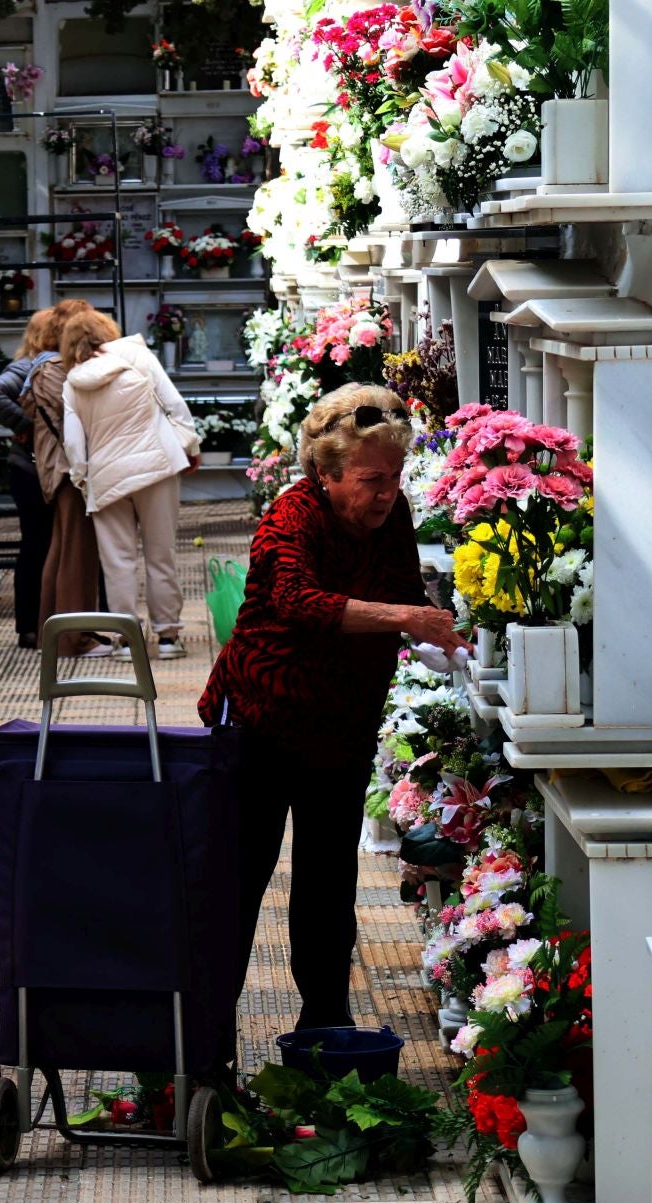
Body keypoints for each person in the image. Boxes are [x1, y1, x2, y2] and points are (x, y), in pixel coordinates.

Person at [197, 384, 464, 1030]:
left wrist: (442, 635)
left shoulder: (390, 516)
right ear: (325, 472)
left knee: (326, 885)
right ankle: (204, 1035)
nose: (386, 492)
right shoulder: (292, 517)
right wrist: (405, 616)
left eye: (395, 477)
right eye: (371, 479)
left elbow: (403, 589)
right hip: (262, 725)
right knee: (237, 881)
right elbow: (297, 601)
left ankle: (325, 1027)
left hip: (340, 728)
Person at [60, 309, 201, 661]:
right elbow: (174, 404)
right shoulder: (137, 356)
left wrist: (82, 478)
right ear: (107, 330)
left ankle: (125, 641)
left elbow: (74, 444)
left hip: (107, 476)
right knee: (161, 554)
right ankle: (168, 637)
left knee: (117, 562)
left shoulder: (73, 381)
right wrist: (190, 445)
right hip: (156, 466)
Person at [0, 300, 92, 647]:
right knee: (37, 546)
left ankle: (51, 622)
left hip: (41, 466)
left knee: (53, 547)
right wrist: (28, 425)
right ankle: (30, 625)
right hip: (32, 468)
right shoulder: (32, 366)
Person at [20, 311, 105, 656]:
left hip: (61, 469)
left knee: (61, 550)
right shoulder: (54, 371)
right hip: (70, 471)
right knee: (75, 554)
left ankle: (53, 635)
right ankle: (71, 639)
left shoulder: (43, 370)